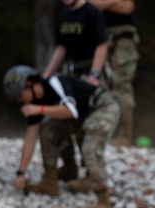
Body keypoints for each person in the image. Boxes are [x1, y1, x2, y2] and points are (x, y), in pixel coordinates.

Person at [3, 64, 121, 208]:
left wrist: (39, 110)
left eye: (19, 95)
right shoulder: (34, 103)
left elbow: (70, 110)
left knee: (90, 147)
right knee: (48, 130)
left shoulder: (55, 82)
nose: (20, 100)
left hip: (103, 105)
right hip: (83, 114)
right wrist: (21, 173)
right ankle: (53, 181)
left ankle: (104, 199)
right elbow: (30, 139)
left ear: (29, 84)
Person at [41, 0, 109, 185]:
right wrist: (47, 74)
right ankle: (69, 165)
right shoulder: (64, 15)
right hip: (71, 72)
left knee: (87, 123)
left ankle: (91, 174)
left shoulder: (91, 12)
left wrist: (94, 74)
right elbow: (61, 48)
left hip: (89, 74)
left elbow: (101, 45)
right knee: (64, 118)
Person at [89, 0, 139, 146]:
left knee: (121, 87)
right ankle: (99, 131)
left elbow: (127, 7)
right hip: (100, 39)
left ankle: (124, 135)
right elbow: (89, 5)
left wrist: (102, 4)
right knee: (98, 85)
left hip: (123, 41)